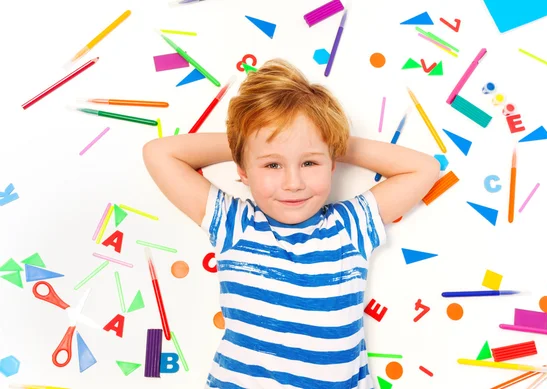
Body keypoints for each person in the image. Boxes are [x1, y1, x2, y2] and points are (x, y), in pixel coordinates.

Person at [143, 58, 440, 388]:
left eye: (310, 161)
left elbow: (424, 168)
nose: (293, 182)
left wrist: (329, 139)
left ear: (331, 163)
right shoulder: (233, 223)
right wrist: (248, 141)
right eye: (272, 165)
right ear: (243, 171)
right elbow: (159, 153)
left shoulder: (350, 226)